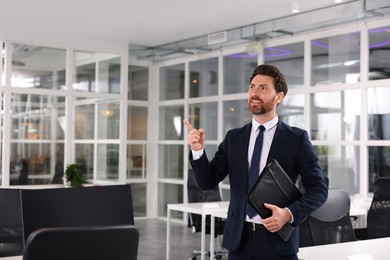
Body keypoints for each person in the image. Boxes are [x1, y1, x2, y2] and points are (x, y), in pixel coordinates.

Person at [183, 64, 328, 260]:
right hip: (238, 241)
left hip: (278, 243)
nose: (254, 93)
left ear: (279, 97)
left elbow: (319, 189)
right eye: (252, 87)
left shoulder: (296, 139)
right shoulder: (234, 138)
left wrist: (288, 213)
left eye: (263, 88)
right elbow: (207, 181)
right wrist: (198, 150)